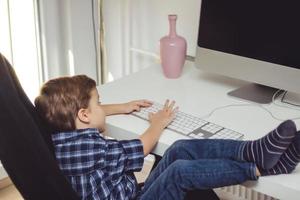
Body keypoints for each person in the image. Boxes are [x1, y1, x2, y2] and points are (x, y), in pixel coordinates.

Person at [35, 75, 300, 200]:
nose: (103, 107)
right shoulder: (89, 148)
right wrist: (158, 122)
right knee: (180, 171)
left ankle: (254, 150)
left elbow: (89, 114)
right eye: (99, 103)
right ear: (84, 115)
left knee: (179, 147)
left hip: (131, 195)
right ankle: (259, 166)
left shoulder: (65, 138)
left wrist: (122, 107)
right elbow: (143, 148)